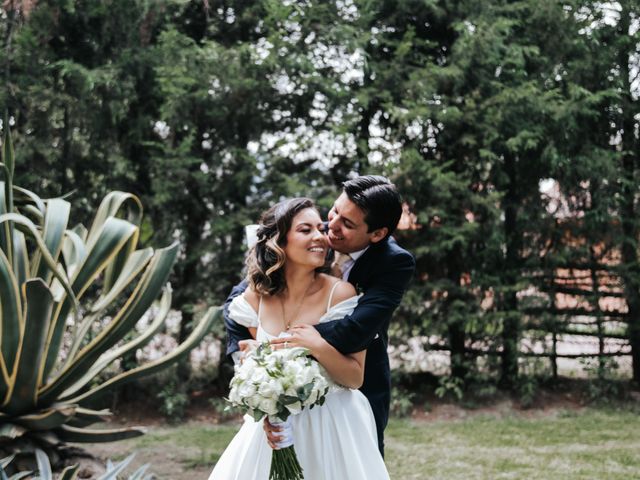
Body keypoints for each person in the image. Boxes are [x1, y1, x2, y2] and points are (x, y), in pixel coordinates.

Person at [225, 175, 415, 455]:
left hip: (355, 390)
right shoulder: (315, 237)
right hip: (288, 392)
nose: (330, 228)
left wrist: (277, 345)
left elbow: (355, 330)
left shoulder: (393, 263)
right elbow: (247, 295)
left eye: (347, 224)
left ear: (376, 234)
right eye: (335, 211)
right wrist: (255, 364)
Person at [209, 198, 390, 479]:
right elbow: (261, 373)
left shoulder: (340, 294)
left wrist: (317, 345)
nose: (320, 236)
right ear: (279, 241)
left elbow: (355, 378)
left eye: (321, 228)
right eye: (306, 230)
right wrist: (267, 412)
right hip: (279, 429)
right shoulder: (252, 300)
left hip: (332, 425)